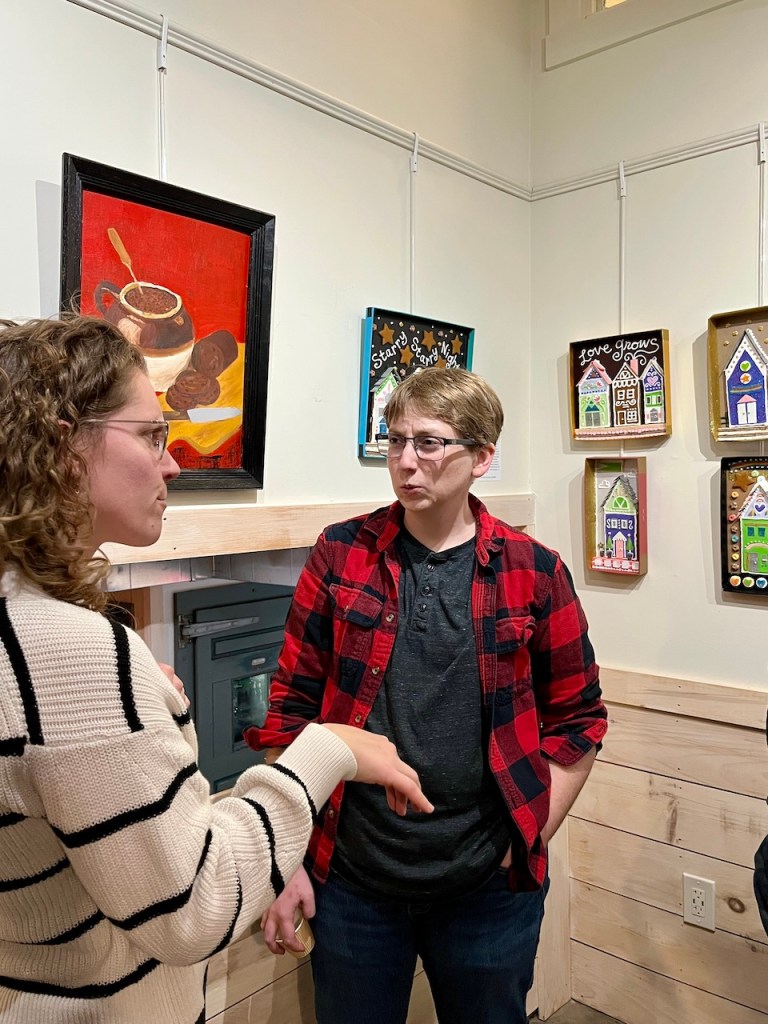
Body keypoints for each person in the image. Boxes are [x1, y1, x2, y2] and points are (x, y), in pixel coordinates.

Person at [0, 315, 433, 1024]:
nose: (172, 465)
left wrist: (132, 713)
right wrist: (329, 749)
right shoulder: (72, 652)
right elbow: (194, 907)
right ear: (63, 445)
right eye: (151, 435)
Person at [248, 366, 608, 1024]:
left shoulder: (534, 570)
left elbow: (578, 721)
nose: (406, 461)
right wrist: (285, 860)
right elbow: (290, 712)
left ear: (481, 458)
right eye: (395, 440)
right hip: (351, 879)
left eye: (429, 443)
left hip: (487, 885)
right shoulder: (341, 553)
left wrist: (529, 833)